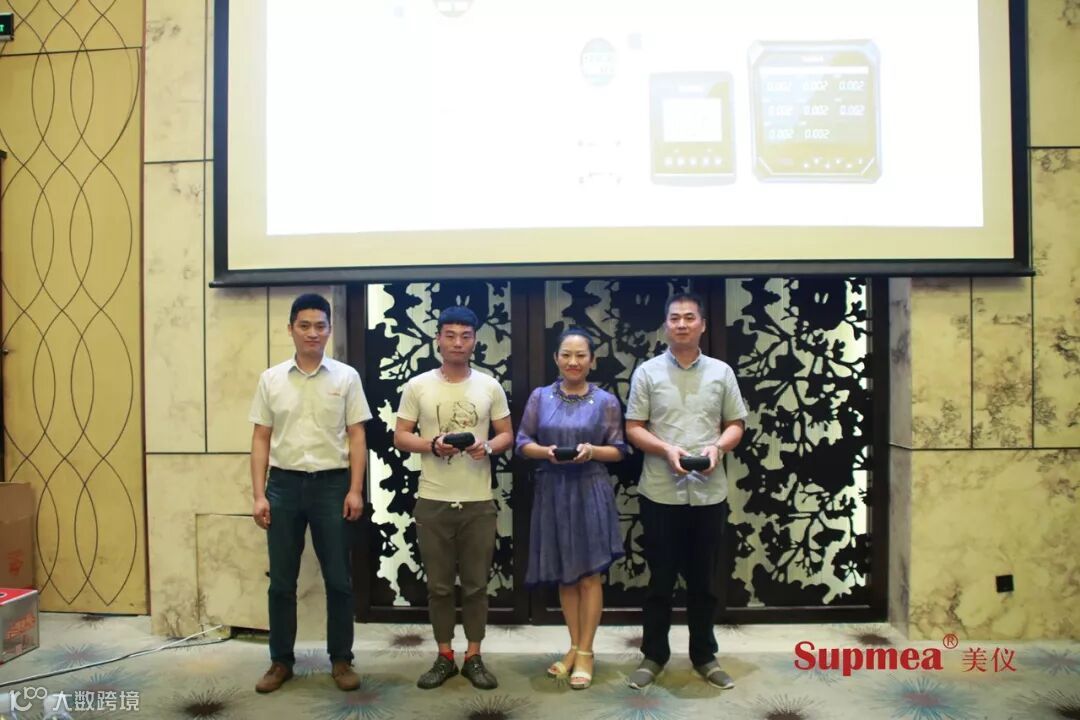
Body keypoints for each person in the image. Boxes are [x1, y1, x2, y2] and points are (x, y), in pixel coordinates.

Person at [624, 291, 747, 691]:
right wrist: (666, 450)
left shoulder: (722, 372)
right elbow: (633, 427)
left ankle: (704, 655)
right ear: (665, 325)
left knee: (704, 583)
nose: (681, 324)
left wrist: (718, 448)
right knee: (659, 581)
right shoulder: (647, 373)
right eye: (674, 317)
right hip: (661, 492)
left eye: (689, 317)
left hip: (709, 494)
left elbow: (736, 424)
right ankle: (653, 655)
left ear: (702, 325)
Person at [249, 293, 372, 694]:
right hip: (283, 486)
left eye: (320, 326)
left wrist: (355, 489)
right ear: (291, 329)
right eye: (304, 326)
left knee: (338, 579)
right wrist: (259, 495)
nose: (312, 333)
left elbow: (357, 436)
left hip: (332, 486)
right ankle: (280, 661)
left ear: (329, 330)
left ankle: (341, 659)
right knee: (282, 582)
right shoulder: (271, 379)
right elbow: (261, 438)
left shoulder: (346, 378)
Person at [393, 306, 514, 690]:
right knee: (440, 587)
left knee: (476, 585)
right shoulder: (418, 386)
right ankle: (444, 655)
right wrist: (432, 444)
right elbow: (400, 436)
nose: (458, 342)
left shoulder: (490, 386)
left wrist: (487, 447)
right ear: (438, 340)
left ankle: (473, 656)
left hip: (478, 501)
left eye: (465, 336)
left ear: (475, 341)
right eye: (450, 335)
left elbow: (506, 434)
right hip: (433, 500)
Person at [516, 328, 627, 690]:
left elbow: (619, 450)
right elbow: (522, 442)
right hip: (553, 488)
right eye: (566, 354)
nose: (573, 362)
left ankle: (587, 652)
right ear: (556, 359)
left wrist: (592, 451)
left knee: (589, 575)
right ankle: (575, 647)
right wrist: (545, 452)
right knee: (566, 574)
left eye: (581, 355)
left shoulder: (606, 401)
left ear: (592, 360)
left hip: (590, 488)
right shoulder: (540, 396)